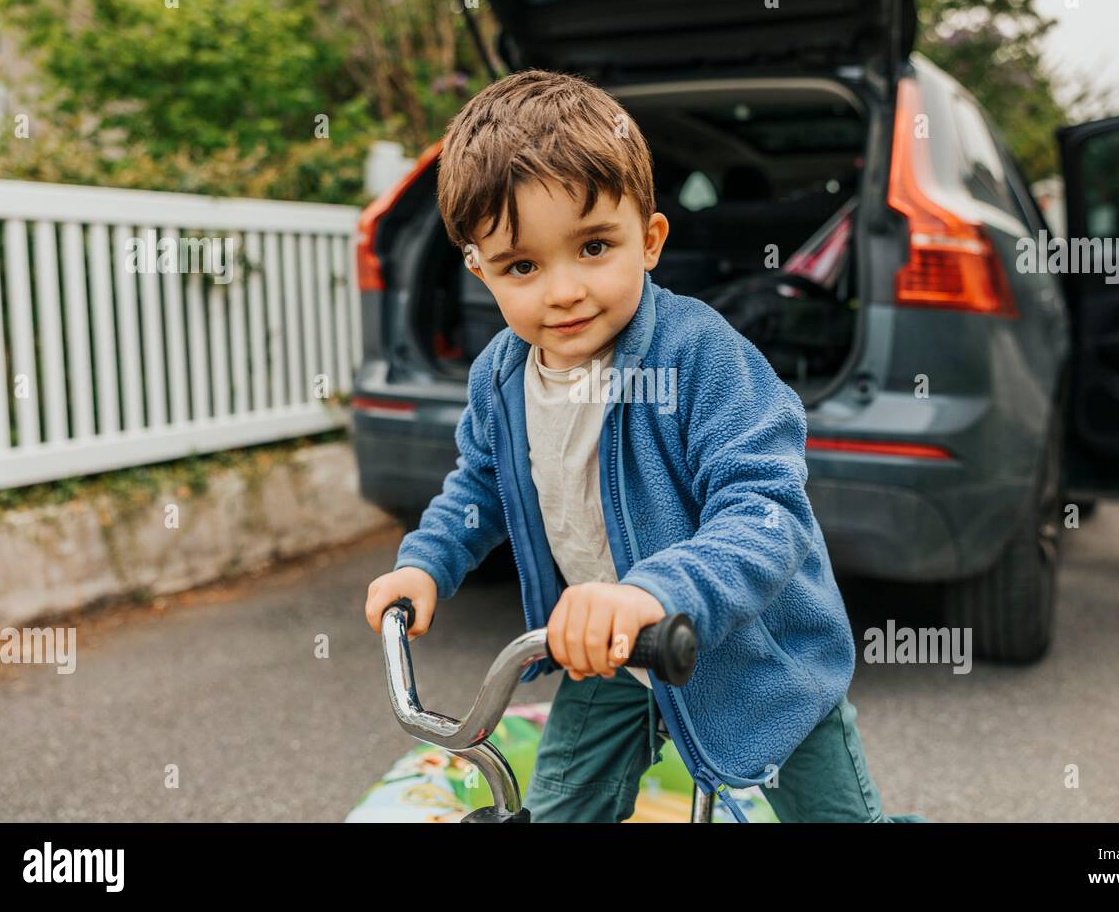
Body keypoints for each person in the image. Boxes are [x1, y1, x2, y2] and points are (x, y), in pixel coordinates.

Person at [364, 68, 925, 824]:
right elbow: (482, 486)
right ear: (479, 271)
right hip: (599, 650)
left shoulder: (700, 356)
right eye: (522, 265)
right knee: (560, 811)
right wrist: (425, 563)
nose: (562, 290)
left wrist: (651, 591)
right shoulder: (500, 375)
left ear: (650, 239)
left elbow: (766, 513)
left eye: (593, 247)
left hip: (755, 661)